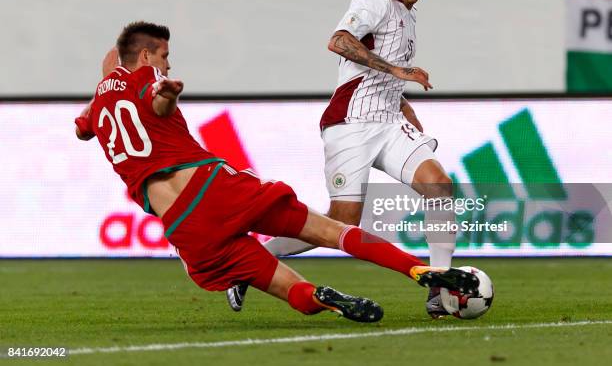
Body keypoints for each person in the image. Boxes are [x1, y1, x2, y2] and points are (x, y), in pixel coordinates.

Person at [75, 21, 478, 323]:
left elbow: (83, 129)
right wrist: (168, 92)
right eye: (163, 54)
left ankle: (321, 297)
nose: (167, 61)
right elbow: (154, 99)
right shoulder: (148, 77)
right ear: (146, 57)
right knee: (331, 229)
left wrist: (101, 87)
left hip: (183, 228)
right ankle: (420, 269)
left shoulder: (97, 105)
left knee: (290, 289)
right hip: (212, 189)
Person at [229, 0, 457, 318]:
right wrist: (398, 72)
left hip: (387, 123)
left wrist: (402, 102)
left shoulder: (408, 15)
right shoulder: (374, 0)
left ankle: (441, 286)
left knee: (439, 186)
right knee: (340, 223)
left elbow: (375, 73)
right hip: (350, 125)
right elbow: (339, 41)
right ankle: (253, 262)